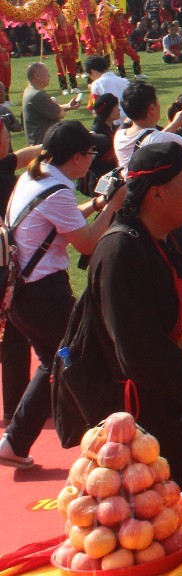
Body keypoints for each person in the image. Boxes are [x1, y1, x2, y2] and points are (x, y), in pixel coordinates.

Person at [60, 142, 182, 486]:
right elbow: (139, 352)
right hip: (150, 435)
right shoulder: (120, 251)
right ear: (156, 193)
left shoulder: (175, 237)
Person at [0, 123, 127, 468]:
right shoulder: (57, 191)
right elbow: (86, 242)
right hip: (44, 295)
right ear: (75, 158)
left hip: (24, 294)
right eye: (90, 153)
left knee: (54, 363)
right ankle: (113, 440)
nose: (93, 158)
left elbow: (61, 220)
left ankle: (14, 443)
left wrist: (97, 204)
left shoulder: (34, 177)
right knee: (91, 354)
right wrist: (113, 206)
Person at [113, 81, 182, 170]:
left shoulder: (120, 135)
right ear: (152, 109)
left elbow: (152, 141)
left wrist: (175, 124)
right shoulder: (160, 139)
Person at [21, 63, 79, 146]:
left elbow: (47, 109)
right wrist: (55, 102)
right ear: (37, 76)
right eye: (46, 72)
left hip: (41, 142)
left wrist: (68, 106)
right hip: (45, 144)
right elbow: (60, 114)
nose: (49, 75)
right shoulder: (37, 95)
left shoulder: (29, 91)